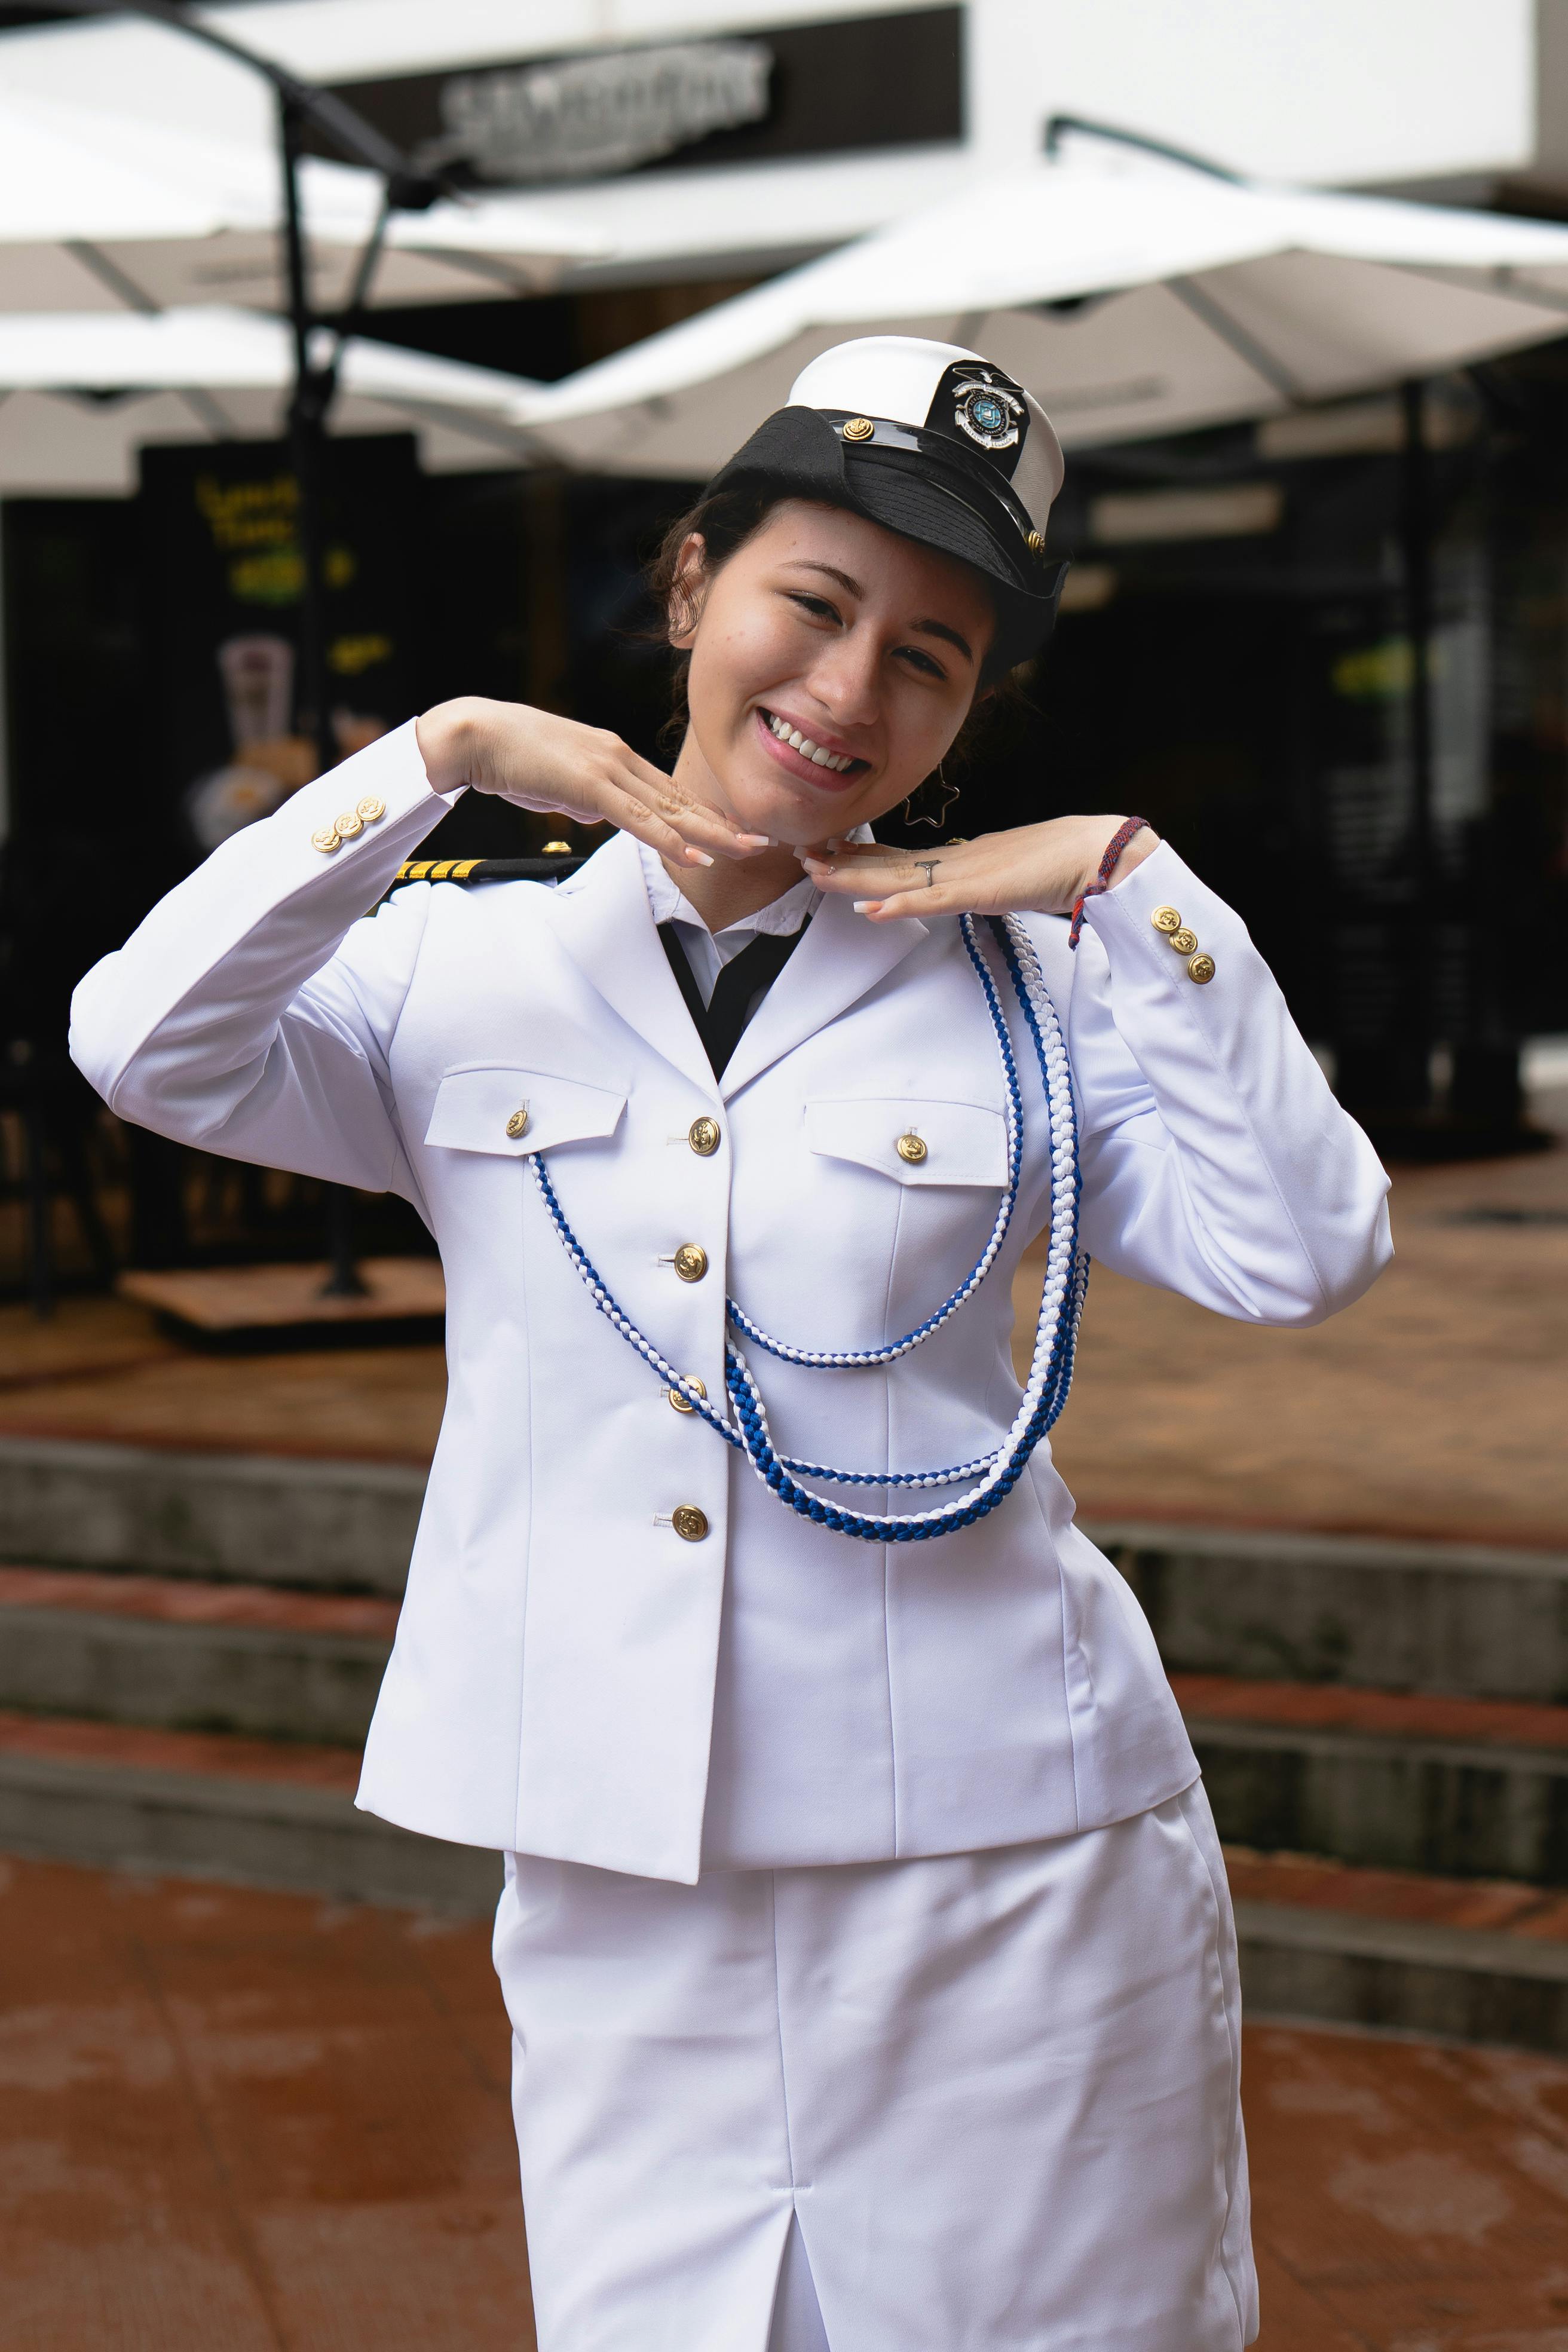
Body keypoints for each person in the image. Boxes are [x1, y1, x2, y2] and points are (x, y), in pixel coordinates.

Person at [71, 336, 1391, 2351]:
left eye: (934, 657)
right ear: (693, 586)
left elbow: (1304, 1254)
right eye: (817, 602)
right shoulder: (457, 942)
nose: (853, 691)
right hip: (622, 1866)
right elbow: (142, 1045)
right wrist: (433, 757)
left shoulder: (1038, 984)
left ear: (974, 706)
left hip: (1006, 1864)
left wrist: (1137, 886)